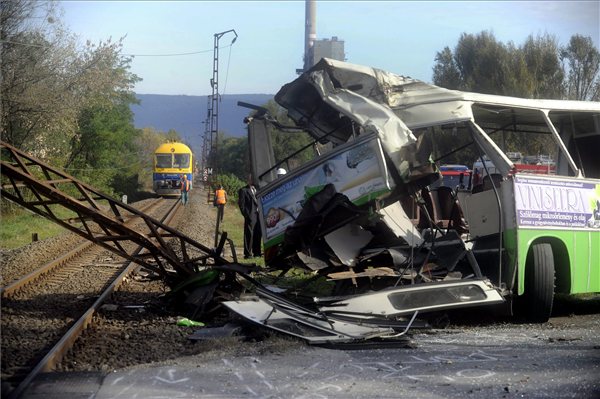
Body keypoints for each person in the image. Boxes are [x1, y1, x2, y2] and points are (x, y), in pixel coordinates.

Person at [238, 177, 262, 258]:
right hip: (250, 216)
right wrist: (247, 215)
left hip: (259, 216)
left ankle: (257, 253)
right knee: (249, 235)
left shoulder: (258, 189)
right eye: (250, 179)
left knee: (258, 234)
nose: (252, 181)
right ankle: (248, 254)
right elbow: (241, 204)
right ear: (248, 180)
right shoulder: (243, 190)